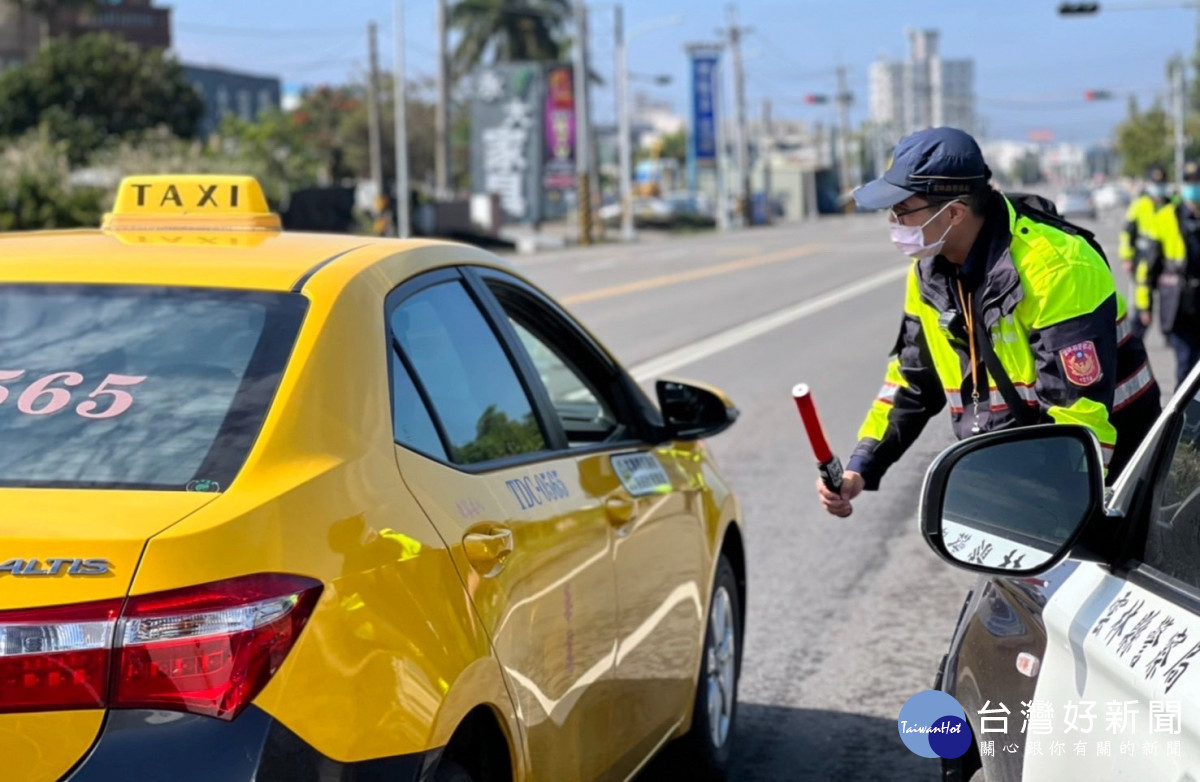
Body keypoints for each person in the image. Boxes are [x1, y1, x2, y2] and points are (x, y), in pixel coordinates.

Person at [818, 127, 1161, 518]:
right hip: (1009, 475)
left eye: (902, 209)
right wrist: (860, 467)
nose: (893, 222)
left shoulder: (1057, 265)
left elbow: (1078, 418)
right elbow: (911, 382)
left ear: (954, 213)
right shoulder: (927, 272)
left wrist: (1061, 514)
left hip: (1110, 481)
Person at [1138, 161, 1200, 388]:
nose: (1195, 188)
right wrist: (1144, 305)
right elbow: (1149, 266)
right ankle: (1182, 419)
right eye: (1190, 183)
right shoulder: (1166, 217)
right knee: (1186, 365)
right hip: (1178, 305)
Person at [1121, 165, 1172, 338]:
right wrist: (1127, 257)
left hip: (1167, 258)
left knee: (1171, 298)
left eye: (1161, 183)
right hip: (1144, 257)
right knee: (1143, 298)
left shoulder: (1171, 204)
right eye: (1155, 183)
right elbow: (1128, 232)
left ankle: (1170, 332)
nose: (1159, 187)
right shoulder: (1140, 205)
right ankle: (1137, 333)